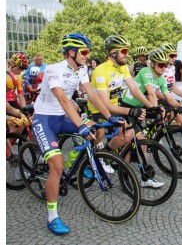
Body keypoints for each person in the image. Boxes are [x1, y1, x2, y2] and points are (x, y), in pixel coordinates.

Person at [31, 33, 120, 235]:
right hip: (45, 120)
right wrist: (80, 125)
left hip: (63, 117)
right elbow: (63, 99)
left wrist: (110, 115)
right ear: (71, 52)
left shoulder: (81, 70)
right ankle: (52, 216)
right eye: (85, 52)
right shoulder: (54, 70)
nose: (87, 56)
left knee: (98, 130)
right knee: (56, 166)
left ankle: (76, 164)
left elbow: (92, 94)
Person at [87, 35, 162, 187]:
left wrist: (150, 106)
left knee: (138, 138)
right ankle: (104, 156)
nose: (127, 54)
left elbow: (134, 89)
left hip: (116, 106)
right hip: (99, 110)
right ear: (113, 52)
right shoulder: (101, 70)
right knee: (127, 135)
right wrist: (130, 111)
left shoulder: (123, 67)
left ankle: (143, 177)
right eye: (124, 50)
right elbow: (105, 104)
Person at [120, 48, 182, 128]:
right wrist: (156, 109)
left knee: (169, 113)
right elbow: (151, 94)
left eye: (165, 65)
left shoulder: (161, 79)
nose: (164, 68)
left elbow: (169, 99)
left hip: (141, 106)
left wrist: (180, 107)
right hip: (128, 104)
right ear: (152, 64)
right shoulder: (145, 71)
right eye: (161, 65)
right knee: (133, 138)